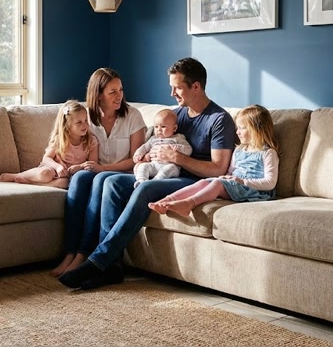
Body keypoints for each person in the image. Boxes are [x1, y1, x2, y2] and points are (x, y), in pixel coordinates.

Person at [59, 57, 236, 289]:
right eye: (171, 87)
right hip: (161, 171)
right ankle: (112, 267)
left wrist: (178, 158)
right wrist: (143, 156)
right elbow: (151, 144)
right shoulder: (176, 115)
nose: (172, 93)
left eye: (177, 87)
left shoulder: (219, 120)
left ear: (196, 86)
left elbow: (218, 169)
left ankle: (99, 261)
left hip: (193, 180)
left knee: (145, 188)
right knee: (111, 182)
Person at [51, 68, 146, 277]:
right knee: (80, 178)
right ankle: (70, 253)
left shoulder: (133, 116)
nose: (119, 95)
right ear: (98, 94)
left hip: (124, 174)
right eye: (113, 91)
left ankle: (83, 255)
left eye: (120, 90)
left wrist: (103, 168)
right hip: (94, 170)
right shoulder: (86, 118)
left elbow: (135, 158)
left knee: (99, 177)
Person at [148, 104, 279, 216]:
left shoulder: (268, 153)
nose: (237, 132)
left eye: (241, 128)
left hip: (253, 190)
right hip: (234, 184)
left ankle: (188, 204)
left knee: (217, 184)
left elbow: (270, 183)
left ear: (256, 130)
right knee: (204, 182)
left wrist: (242, 181)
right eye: (237, 128)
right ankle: (166, 201)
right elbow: (231, 171)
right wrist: (227, 177)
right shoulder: (239, 150)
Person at [0, 100, 98, 189]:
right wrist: (57, 167)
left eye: (86, 120)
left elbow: (93, 165)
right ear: (67, 125)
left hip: (70, 176)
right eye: (79, 122)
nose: (85, 125)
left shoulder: (91, 141)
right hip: (53, 170)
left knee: (64, 183)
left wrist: (80, 167)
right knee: (45, 173)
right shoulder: (60, 140)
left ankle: (32, 183)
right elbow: (46, 158)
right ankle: (18, 175)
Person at [133, 109, 192, 188]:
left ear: (174, 128)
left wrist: (179, 148)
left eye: (163, 126)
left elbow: (189, 149)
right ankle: (141, 181)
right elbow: (144, 147)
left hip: (169, 165)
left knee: (170, 168)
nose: (159, 130)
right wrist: (138, 154)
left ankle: (155, 181)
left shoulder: (178, 138)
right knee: (143, 166)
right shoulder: (153, 139)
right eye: (156, 127)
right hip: (154, 165)